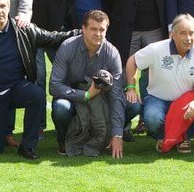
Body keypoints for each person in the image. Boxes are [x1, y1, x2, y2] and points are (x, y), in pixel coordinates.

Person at [0, 0, 75, 159]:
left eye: (3, 6)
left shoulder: (24, 29)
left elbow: (53, 38)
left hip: (16, 89)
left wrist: (82, 33)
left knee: (36, 94)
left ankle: (28, 146)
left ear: (9, 8)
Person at [50, 10, 138, 157]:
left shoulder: (112, 53)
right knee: (61, 108)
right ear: (83, 29)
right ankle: (63, 141)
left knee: (133, 105)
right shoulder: (67, 47)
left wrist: (117, 134)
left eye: (102, 29)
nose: (97, 34)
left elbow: (116, 95)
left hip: (102, 99)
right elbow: (54, 85)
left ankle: (110, 135)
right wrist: (85, 95)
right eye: (93, 29)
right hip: (72, 98)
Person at [125, 14, 194, 153]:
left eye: (191, 33)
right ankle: (163, 138)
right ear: (172, 34)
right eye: (183, 33)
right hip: (158, 99)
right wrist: (131, 87)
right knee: (153, 118)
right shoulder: (156, 49)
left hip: (186, 102)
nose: (188, 38)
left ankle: (184, 138)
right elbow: (133, 61)